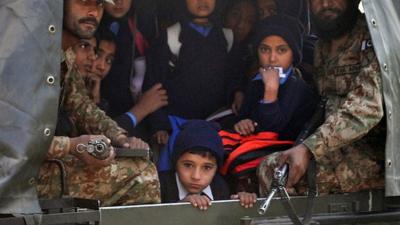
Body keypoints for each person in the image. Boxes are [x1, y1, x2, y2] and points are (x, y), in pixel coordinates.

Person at [37, 0, 161, 206]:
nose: (93, 11)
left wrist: (120, 137)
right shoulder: (32, 55)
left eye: (100, 4)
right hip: (16, 177)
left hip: (39, 166)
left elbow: (82, 107)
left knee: (140, 162)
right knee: (141, 176)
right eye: (83, 2)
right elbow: (16, 141)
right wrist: (73, 146)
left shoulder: (64, 56)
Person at [258, 0, 385, 195]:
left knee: (278, 176)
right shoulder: (322, 46)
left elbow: (367, 108)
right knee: (271, 168)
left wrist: (308, 149)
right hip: (331, 149)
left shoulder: (375, 38)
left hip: (372, 157)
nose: (325, 4)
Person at [144, 0, 244, 171]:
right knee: (173, 171)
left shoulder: (227, 37)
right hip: (177, 123)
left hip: (216, 122)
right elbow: (153, 85)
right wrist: (159, 125)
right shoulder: (171, 37)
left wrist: (238, 91)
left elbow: (235, 74)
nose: (202, 2)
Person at [234, 14, 317, 141]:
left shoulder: (297, 87)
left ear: (293, 55)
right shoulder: (256, 81)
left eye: (281, 50)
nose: (272, 59)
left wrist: (271, 92)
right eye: (264, 50)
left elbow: (272, 130)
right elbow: (243, 115)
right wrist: (243, 123)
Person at [98, 0, 168, 140]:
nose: (119, 2)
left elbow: (153, 78)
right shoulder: (90, 27)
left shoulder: (141, 28)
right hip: (97, 111)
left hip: (134, 115)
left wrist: (158, 124)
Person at [159, 120, 257, 210]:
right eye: (188, 165)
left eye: (207, 167)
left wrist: (240, 203)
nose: (196, 176)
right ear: (175, 162)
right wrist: (180, 208)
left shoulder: (222, 186)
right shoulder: (157, 186)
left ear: (217, 169)